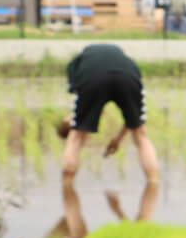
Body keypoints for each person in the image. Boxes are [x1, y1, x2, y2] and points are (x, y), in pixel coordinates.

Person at [55, 43, 159, 183]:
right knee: (141, 135)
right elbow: (132, 121)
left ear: (68, 121)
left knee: (76, 138)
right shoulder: (122, 58)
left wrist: (79, 126)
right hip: (128, 75)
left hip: (92, 77)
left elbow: (82, 104)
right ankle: (153, 182)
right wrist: (118, 139)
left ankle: (67, 185)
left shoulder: (76, 63)